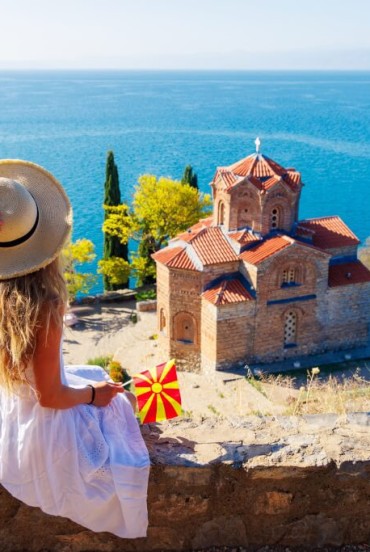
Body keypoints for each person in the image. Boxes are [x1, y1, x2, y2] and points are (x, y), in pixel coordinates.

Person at [0, 159, 150, 538]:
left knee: (98, 376)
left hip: (8, 418)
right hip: (40, 433)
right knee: (118, 402)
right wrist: (94, 397)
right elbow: (50, 396)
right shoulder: (43, 304)